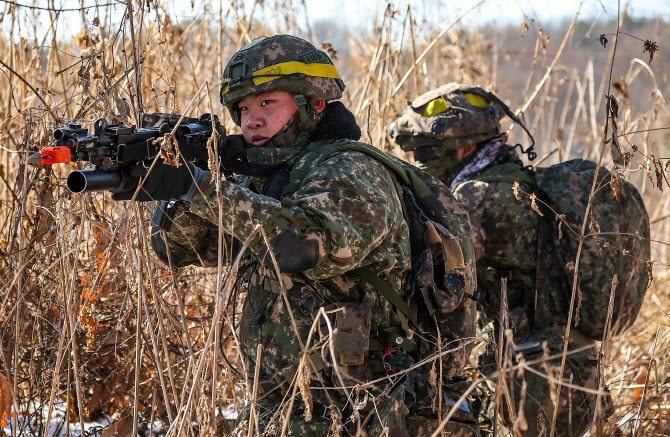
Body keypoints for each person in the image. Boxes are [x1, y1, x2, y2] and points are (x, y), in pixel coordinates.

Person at [111, 36, 479, 436]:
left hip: (366, 410)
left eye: (267, 103)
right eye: (243, 109)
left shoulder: (352, 170)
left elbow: (304, 245)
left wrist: (200, 188)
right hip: (284, 408)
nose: (251, 120)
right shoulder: (273, 178)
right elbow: (179, 249)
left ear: (314, 103)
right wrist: (189, 175)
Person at [388, 83, 627, 436]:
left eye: (426, 154)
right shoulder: (520, 182)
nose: (421, 164)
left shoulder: (477, 196)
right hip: (574, 363)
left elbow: (432, 273)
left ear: (464, 147)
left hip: (532, 378)